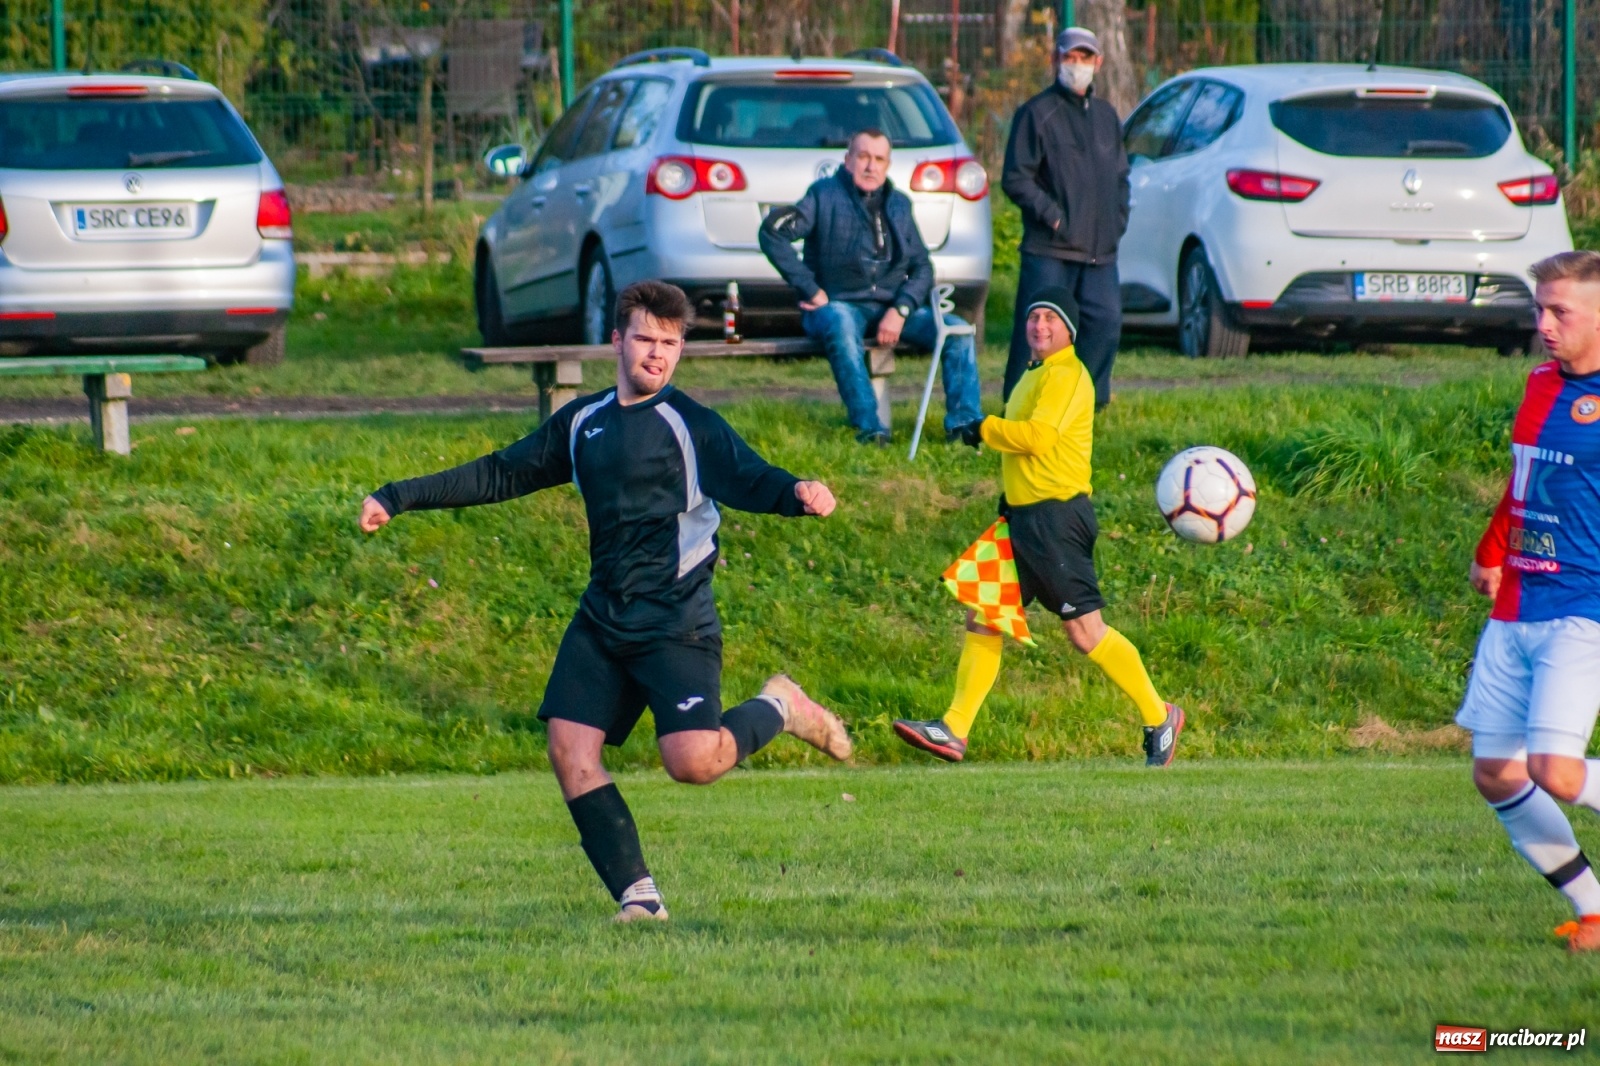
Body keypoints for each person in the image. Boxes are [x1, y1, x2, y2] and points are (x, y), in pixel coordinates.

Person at [357, 280, 852, 923]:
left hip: (676, 620)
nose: (657, 354)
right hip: (605, 616)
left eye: (671, 344)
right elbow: (503, 471)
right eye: (645, 338)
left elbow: (751, 477)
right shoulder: (583, 421)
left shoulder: (691, 425)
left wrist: (798, 492)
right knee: (568, 749)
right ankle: (638, 898)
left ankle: (780, 705)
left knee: (693, 762)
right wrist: (398, 496)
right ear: (617, 340)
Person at [892, 288, 1183, 764]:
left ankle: (1160, 715)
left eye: (1050, 317)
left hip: (1056, 518)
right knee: (984, 614)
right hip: (1021, 518)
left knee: (1086, 633)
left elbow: (1039, 438)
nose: (1039, 325)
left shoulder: (1067, 374)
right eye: (1033, 317)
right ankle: (954, 729)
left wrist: (984, 427)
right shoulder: (1035, 375)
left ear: (1068, 329)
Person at [1457, 250, 1600, 953]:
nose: (1543, 323)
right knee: (1497, 773)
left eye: (1560, 311)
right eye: (1538, 309)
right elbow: (1525, 478)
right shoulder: (1541, 382)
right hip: (1517, 605)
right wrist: (1491, 551)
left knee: (1557, 772)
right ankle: (1594, 909)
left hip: (1585, 608)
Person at [759, 127, 982, 445]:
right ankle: (870, 428)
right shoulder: (823, 195)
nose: (870, 166)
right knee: (839, 320)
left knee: (957, 329)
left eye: (879, 159)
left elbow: (922, 268)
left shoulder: (899, 204)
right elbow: (772, 233)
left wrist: (902, 309)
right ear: (847, 160)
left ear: (888, 165)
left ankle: (965, 428)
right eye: (863, 156)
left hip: (892, 307)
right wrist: (810, 289)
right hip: (837, 305)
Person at [1000, 26, 1129, 410]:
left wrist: (1117, 219)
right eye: (1070, 57)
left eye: (1085, 58)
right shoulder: (1036, 113)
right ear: (1055, 59)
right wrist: (1054, 217)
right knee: (1038, 334)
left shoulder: (1107, 116)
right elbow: (1015, 178)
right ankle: (1020, 406)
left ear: (1098, 63)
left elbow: (1122, 175)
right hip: (1050, 250)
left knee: (1105, 325)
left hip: (1100, 251)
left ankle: (1085, 403)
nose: (1077, 65)